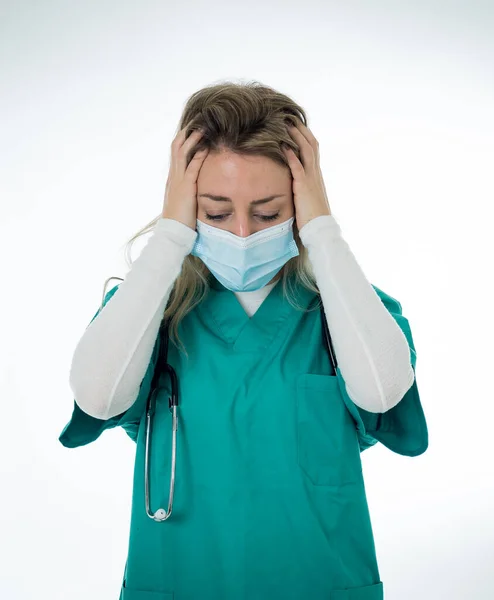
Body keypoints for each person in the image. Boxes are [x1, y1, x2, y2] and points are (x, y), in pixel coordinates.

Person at [59, 81, 428, 600]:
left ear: (301, 204)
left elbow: (381, 392)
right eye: (213, 212)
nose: (241, 233)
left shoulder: (348, 311)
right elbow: (97, 396)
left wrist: (322, 232)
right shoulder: (149, 313)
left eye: (269, 212)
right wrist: (169, 237)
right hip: (178, 583)